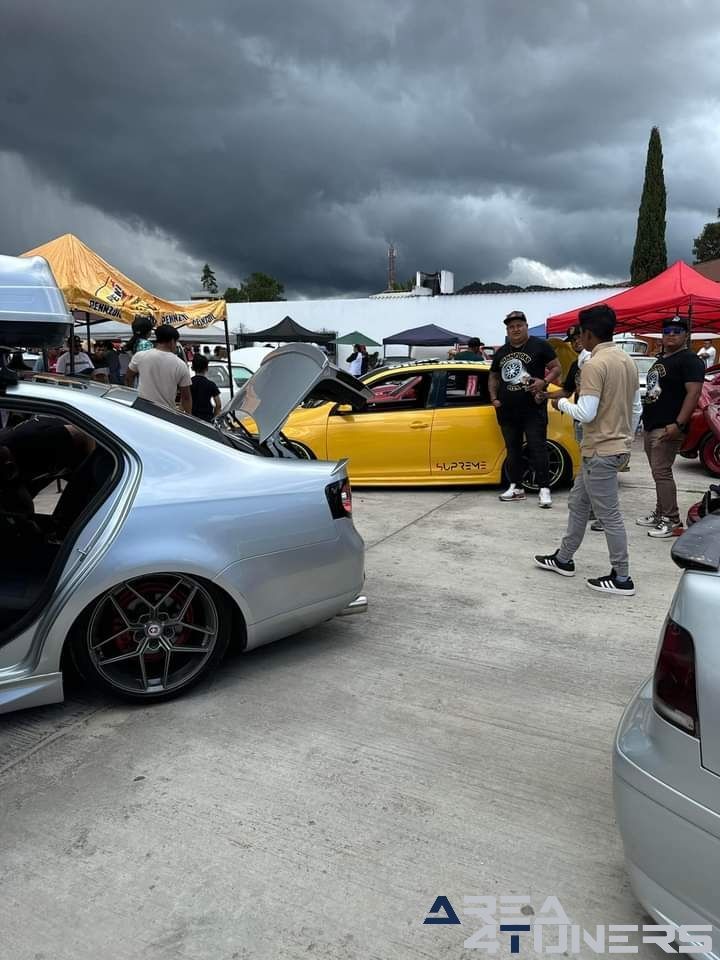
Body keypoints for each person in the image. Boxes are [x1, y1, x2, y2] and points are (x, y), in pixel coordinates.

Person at [534, 304, 641, 597]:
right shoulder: (626, 360)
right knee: (578, 503)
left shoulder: (594, 364)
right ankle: (564, 558)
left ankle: (622, 578)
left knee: (610, 517)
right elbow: (635, 408)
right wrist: (626, 438)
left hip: (601, 452)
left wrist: (560, 404)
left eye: (580, 334)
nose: (579, 338)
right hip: (611, 447)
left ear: (588, 333)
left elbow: (586, 412)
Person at [638, 316, 705, 538]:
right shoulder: (662, 359)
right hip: (651, 424)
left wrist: (679, 423)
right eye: (667, 331)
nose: (671, 335)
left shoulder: (689, 360)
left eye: (677, 331)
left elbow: (694, 393)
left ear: (686, 335)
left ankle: (672, 520)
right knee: (658, 473)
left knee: (662, 472)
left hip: (668, 426)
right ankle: (661, 513)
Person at [489, 310, 562, 508]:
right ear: (507, 330)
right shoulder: (502, 352)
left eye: (519, 325)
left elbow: (557, 367)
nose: (515, 329)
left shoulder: (540, 346)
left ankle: (544, 489)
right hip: (508, 410)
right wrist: (494, 398)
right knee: (513, 450)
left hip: (533, 408)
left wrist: (544, 382)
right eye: (511, 327)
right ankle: (516, 487)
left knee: (537, 448)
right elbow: (494, 376)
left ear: (526, 326)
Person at [125, 324, 192, 413]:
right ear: (172, 341)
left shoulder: (140, 356)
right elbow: (186, 398)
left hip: (141, 411)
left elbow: (128, 378)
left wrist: (131, 396)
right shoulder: (180, 364)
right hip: (166, 414)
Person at [190, 355, 222, 422]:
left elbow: (183, 401)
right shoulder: (211, 384)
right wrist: (214, 417)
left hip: (192, 417)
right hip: (207, 418)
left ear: (192, 368)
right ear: (206, 368)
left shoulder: (189, 383)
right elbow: (218, 404)